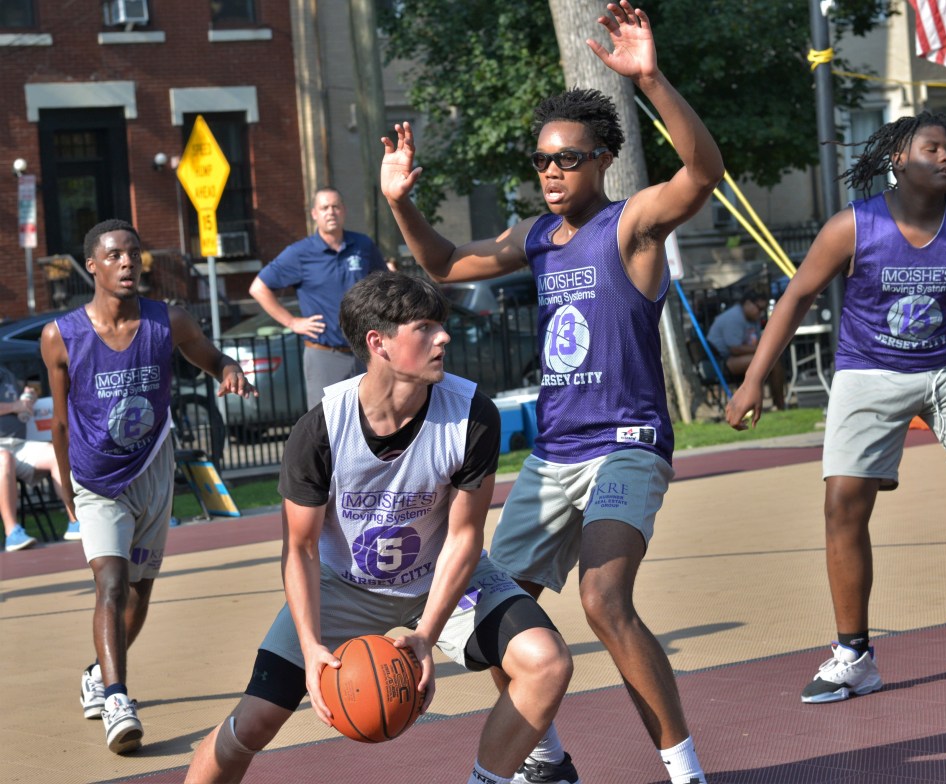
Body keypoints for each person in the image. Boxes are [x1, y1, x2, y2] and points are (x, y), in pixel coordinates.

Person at [380, 4, 723, 782]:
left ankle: (685, 771)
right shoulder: (535, 239)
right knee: (493, 621)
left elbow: (702, 173)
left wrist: (650, 79)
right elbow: (443, 265)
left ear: (603, 160)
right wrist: (401, 201)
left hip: (625, 447)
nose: (551, 172)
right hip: (553, 455)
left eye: (567, 159)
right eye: (541, 160)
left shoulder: (632, 226)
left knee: (605, 601)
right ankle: (548, 762)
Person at [185, 271, 573, 784]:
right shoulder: (322, 429)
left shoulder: (472, 414)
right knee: (252, 724)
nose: (444, 337)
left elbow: (464, 537)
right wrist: (311, 648)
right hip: (342, 587)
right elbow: (300, 550)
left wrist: (426, 633)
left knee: (546, 662)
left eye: (441, 325)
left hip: (440, 579)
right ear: (378, 342)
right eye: (425, 327)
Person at [725, 111, 946, 701]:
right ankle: (854, 656)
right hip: (870, 370)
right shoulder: (854, 226)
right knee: (842, 503)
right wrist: (753, 379)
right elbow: (797, 296)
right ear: (897, 160)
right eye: (932, 148)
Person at [40, 219, 256, 754]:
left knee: (138, 593)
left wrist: (228, 369)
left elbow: (210, 357)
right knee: (110, 584)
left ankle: (97, 673)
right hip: (97, 479)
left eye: (134, 254)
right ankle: (117, 699)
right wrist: (66, 483)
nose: (127, 263)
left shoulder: (168, 321)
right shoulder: (61, 336)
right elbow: (61, 422)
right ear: (92, 265)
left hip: (153, 470)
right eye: (115, 255)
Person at [249, 186, 389, 409]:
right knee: (327, 424)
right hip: (325, 355)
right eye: (324, 208)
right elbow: (258, 288)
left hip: (367, 354)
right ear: (314, 214)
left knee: (375, 420)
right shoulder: (299, 253)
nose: (330, 212)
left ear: (344, 210)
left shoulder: (363, 245)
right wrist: (292, 322)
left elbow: (385, 286)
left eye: (335, 206)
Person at [0, 363, 78, 549]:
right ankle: (12, 532)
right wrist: (14, 406)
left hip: (19, 445)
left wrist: (29, 397)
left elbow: (21, 399)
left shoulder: (6, 373)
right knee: (4, 460)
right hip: (2, 452)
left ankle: (76, 521)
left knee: (56, 454)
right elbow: (15, 405)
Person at [705, 287, 786, 410]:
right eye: (759, 308)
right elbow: (735, 349)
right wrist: (765, 350)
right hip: (721, 363)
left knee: (772, 360)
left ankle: (778, 403)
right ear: (748, 303)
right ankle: (780, 405)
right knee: (771, 362)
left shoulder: (753, 318)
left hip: (735, 358)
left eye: (763, 310)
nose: (761, 313)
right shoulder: (734, 317)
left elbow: (755, 342)